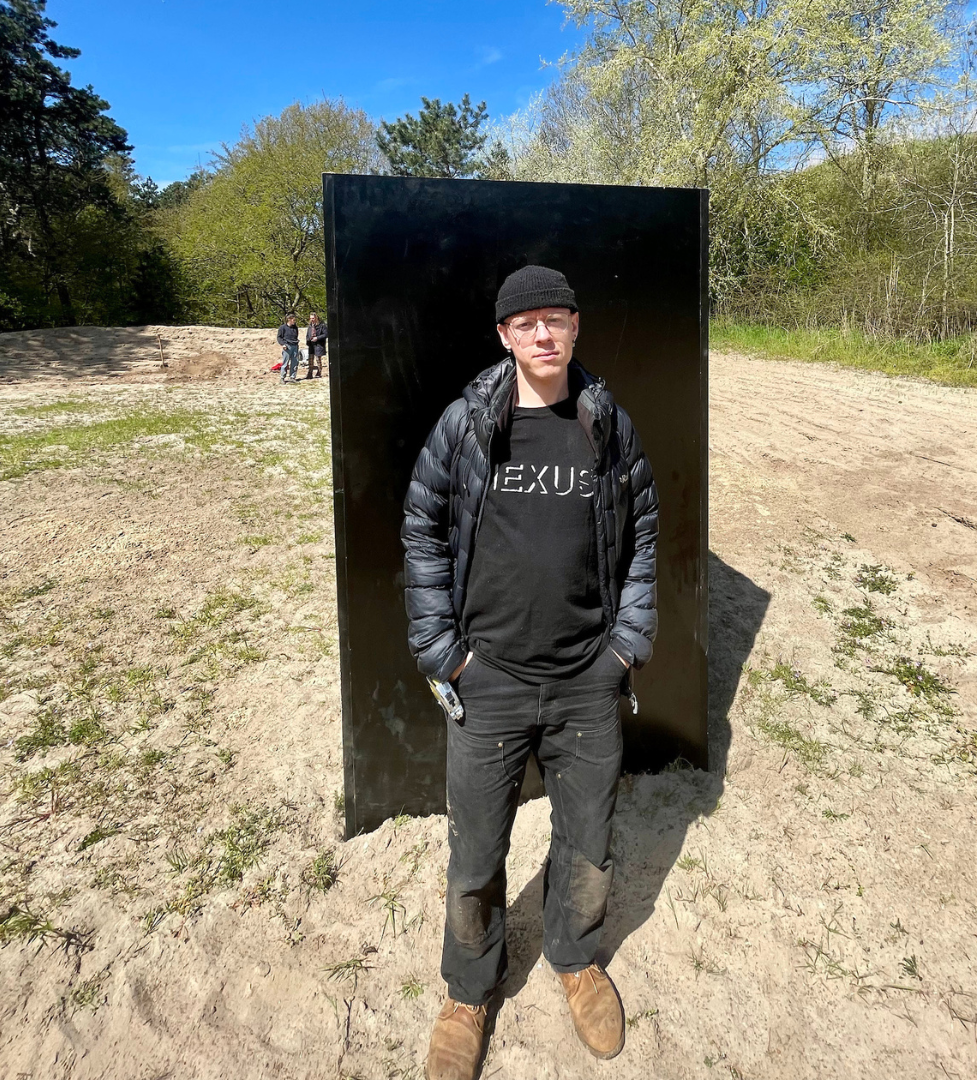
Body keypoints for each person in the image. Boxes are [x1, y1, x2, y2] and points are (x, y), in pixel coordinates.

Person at [401, 265, 658, 1080]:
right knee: (476, 851)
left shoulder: (606, 422)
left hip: (588, 679)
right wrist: (443, 651)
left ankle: (575, 959)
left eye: (557, 319)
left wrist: (624, 647)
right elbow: (422, 525)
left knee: (589, 843)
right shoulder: (468, 423)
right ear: (505, 336)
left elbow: (644, 529)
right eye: (527, 323)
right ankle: (468, 991)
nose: (544, 334)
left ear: (577, 326)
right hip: (491, 680)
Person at [276, 313, 300, 383]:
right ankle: (282, 377)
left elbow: (296, 335)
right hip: (287, 346)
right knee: (285, 363)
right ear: (289, 319)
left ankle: (292, 377)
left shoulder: (295, 327)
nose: (294, 321)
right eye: (293, 320)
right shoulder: (282, 327)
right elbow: (279, 337)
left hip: (295, 345)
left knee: (295, 362)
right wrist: (283, 344)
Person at [306, 312, 327, 378]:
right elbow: (308, 334)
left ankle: (319, 372)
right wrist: (308, 340)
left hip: (319, 344)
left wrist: (317, 338)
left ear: (316, 318)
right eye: (310, 318)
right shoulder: (310, 326)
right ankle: (310, 373)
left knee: (318, 359)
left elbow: (325, 334)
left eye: (313, 318)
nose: (312, 320)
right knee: (310, 359)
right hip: (311, 344)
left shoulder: (321, 325)